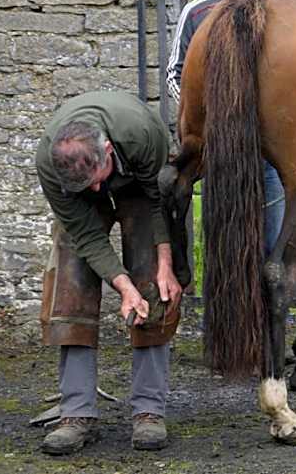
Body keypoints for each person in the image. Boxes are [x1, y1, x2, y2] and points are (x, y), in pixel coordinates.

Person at [35, 90, 185, 455]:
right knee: (69, 285)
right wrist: (122, 287)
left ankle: (149, 411)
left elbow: (158, 202)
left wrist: (165, 265)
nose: (98, 190)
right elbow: (86, 234)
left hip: (140, 184)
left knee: (154, 284)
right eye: (88, 187)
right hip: (82, 199)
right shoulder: (51, 166)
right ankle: (76, 413)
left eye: (97, 179)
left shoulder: (142, 135)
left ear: (106, 152)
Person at [166, 0, 285, 254]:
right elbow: (176, 74)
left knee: (273, 240)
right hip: (220, 148)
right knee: (227, 241)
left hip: (271, 149)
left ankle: (272, 307)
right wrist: (209, 117)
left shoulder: (280, 10)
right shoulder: (198, 11)